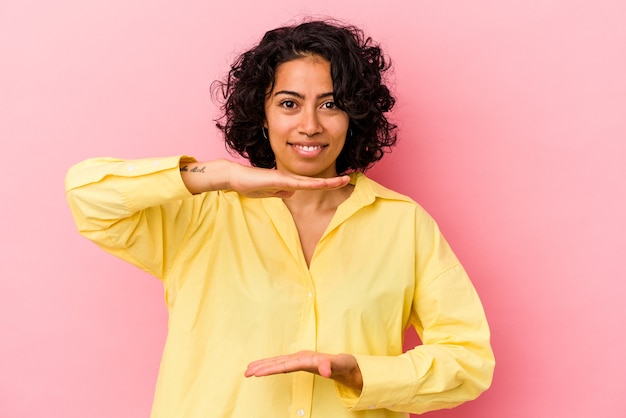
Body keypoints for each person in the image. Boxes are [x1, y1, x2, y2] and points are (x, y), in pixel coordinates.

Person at [65, 19, 494, 418]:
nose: (310, 125)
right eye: (289, 103)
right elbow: (89, 195)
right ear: (262, 113)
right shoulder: (201, 212)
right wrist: (220, 175)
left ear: (354, 114)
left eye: (330, 104)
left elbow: (468, 359)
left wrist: (362, 374)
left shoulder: (404, 225)